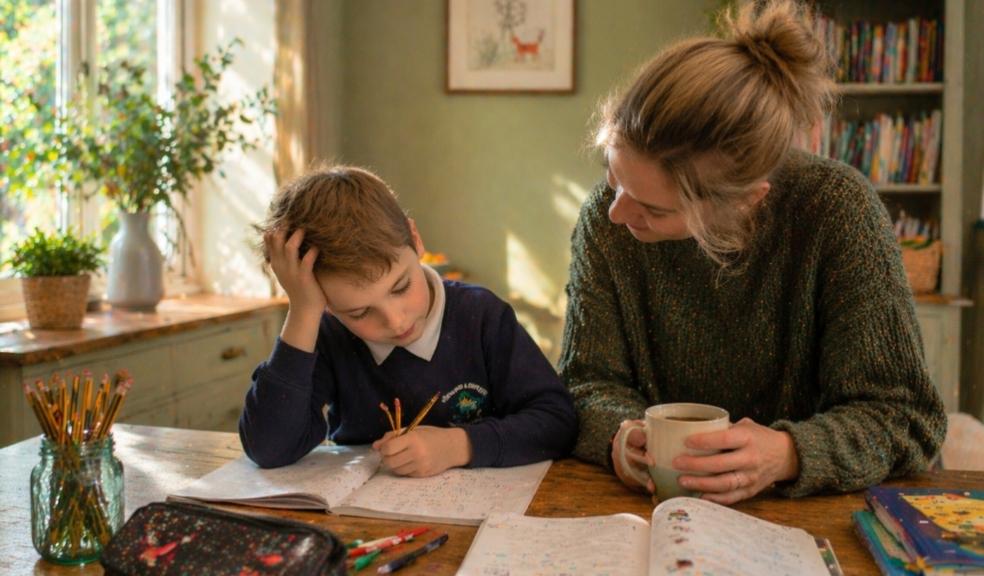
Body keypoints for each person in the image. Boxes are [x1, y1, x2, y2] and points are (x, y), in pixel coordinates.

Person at [559, 0, 946, 504]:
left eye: (653, 208)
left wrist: (789, 453)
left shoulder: (836, 212)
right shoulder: (606, 220)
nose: (616, 214)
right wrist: (619, 436)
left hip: (814, 514)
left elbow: (906, 417)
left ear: (747, 200)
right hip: (657, 509)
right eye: (614, 181)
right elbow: (585, 383)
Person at [240, 165, 577, 476]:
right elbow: (269, 449)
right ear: (325, 303)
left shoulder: (482, 317)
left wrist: (459, 445)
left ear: (415, 240)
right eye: (359, 312)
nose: (395, 320)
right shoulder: (324, 333)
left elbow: (557, 422)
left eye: (401, 287)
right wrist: (303, 311)